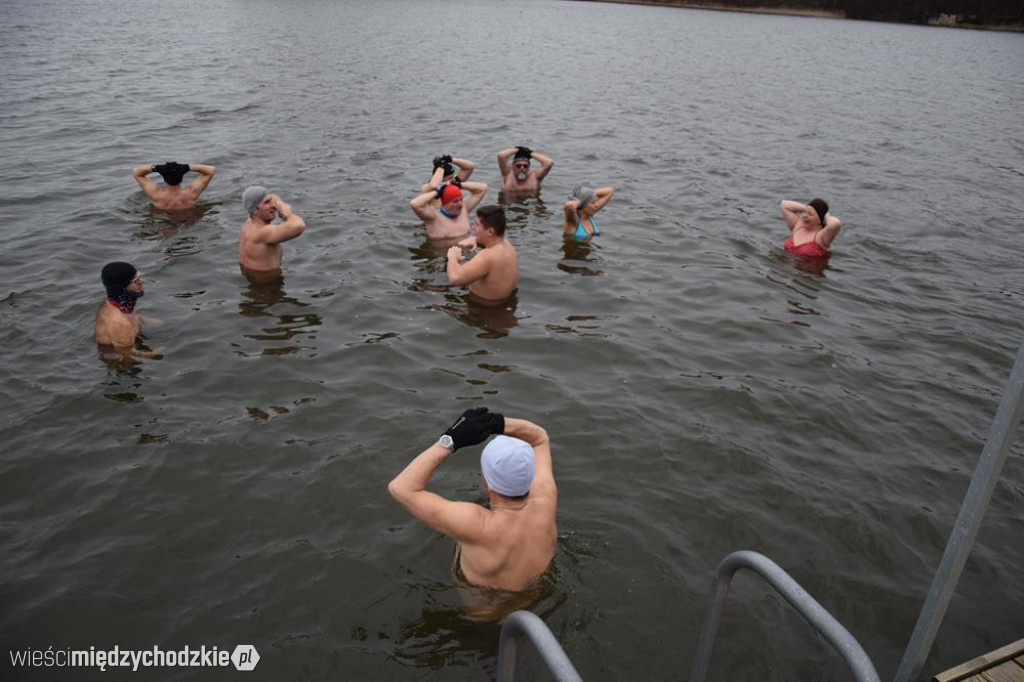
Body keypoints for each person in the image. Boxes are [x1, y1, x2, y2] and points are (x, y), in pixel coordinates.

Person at [388, 407, 557, 592]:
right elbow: (540, 438)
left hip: (485, 618)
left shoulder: (476, 525)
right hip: (535, 599)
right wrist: (497, 422)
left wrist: (450, 440)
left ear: (487, 482)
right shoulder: (545, 499)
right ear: (532, 474)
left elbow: (401, 488)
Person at [446, 205, 518, 305]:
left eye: (477, 225)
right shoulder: (508, 246)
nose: (473, 227)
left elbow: (455, 278)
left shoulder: (488, 256)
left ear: (490, 231)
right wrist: (476, 240)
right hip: (504, 306)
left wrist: (453, 257)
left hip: (482, 311)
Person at [238, 186, 307, 280]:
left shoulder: (248, 223)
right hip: (268, 287)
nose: (273, 206)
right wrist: (287, 214)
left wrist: (279, 203)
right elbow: (299, 225)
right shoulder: (263, 232)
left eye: (271, 201)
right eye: (267, 202)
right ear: (255, 211)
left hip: (252, 280)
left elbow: (273, 196)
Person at [410, 179, 488, 240]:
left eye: (461, 199)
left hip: (466, 252)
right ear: (445, 203)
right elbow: (415, 204)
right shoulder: (433, 217)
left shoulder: (464, 208)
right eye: (455, 201)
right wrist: (438, 192)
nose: (460, 204)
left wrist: (458, 184)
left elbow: (482, 188)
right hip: (441, 257)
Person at [94, 261, 145, 348]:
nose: (142, 281)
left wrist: (146, 320)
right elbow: (127, 358)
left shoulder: (110, 303)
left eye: (139, 277)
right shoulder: (121, 325)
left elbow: (129, 315)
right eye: (135, 280)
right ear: (121, 288)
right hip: (119, 352)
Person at [131, 162, 216, 210]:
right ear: (181, 178)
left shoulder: (156, 195)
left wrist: (156, 168)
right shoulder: (191, 193)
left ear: (164, 178)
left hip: (164, 221)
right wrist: (186, 167)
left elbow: (136, 172)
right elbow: (211, 170)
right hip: (189, 221)